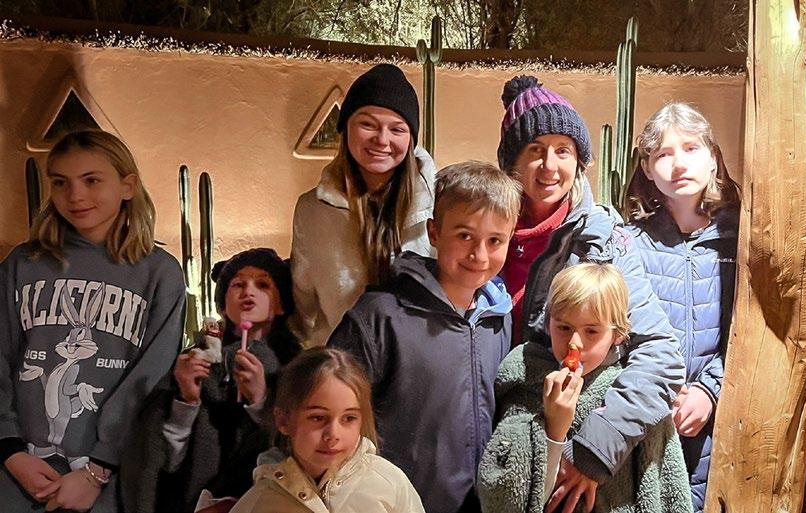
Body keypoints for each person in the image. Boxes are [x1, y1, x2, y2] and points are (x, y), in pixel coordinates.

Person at [496, 75, 686, 512]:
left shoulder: (603, 239)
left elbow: (660, 354)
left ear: (579, 160)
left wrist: (596, 448)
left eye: (563, 150)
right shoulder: (488, 232)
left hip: (575, 445)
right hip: (502, 432)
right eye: (534, 149)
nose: (549, 166)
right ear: (511, 160)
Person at [0, 130, 185, 512]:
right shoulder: (23, 264)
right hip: (16, 472)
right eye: (60, 182)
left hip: (109, 479)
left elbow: (151, 378)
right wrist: (10, 450)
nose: (75, 195)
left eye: (92, 180)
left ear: (127, 185)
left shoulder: (160, 274)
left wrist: (97, 471)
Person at [328, 161, 522, 513]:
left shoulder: (499, 317)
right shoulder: (381, 315)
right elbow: (331, 410)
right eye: (464, 236)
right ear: (434, 232)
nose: (479, 255)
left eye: (495, 240)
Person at [478, 263, 692, 513]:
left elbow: (667, 491)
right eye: (564, 328)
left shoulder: (639, 397)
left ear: (618, 334)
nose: (574, 344)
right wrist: (554, 430)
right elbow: (505, 496)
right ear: (548, 324)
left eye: (591, 331)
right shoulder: (525, 376)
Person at [120, 248, 301, 513]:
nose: (248, 292)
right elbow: (162, 464)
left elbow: (299, 450)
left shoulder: (296, 369)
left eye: (263, 285)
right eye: (238, 284)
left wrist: (261, 401)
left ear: (282, 303)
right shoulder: (196, 362)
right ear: (222, 304)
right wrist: (187, 401)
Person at [625, 102, 740, 513]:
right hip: (649, 419)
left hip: (722, 421)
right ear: (647, 168)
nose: (678, 164)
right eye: (663, 154)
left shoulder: (743, 239)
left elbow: (751, 331)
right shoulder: (630, 244)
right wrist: (659, 392)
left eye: (691, 148)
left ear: (712, 158)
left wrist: (710, 390)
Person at [291, 63, 436, 348]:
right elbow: (304, 304)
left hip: (417, 362)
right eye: (367, 124)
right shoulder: (312, 210)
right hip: (341, 362)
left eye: (397, 129)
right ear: (345, 128)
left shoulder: (439, 201)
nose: (382, 139)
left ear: (410, 139)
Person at [229, 347, 424, 513]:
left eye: (349, 418)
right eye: (318, 418)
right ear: (284, 421)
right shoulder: (259, 503)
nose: (333, 435)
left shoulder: (389, 483)